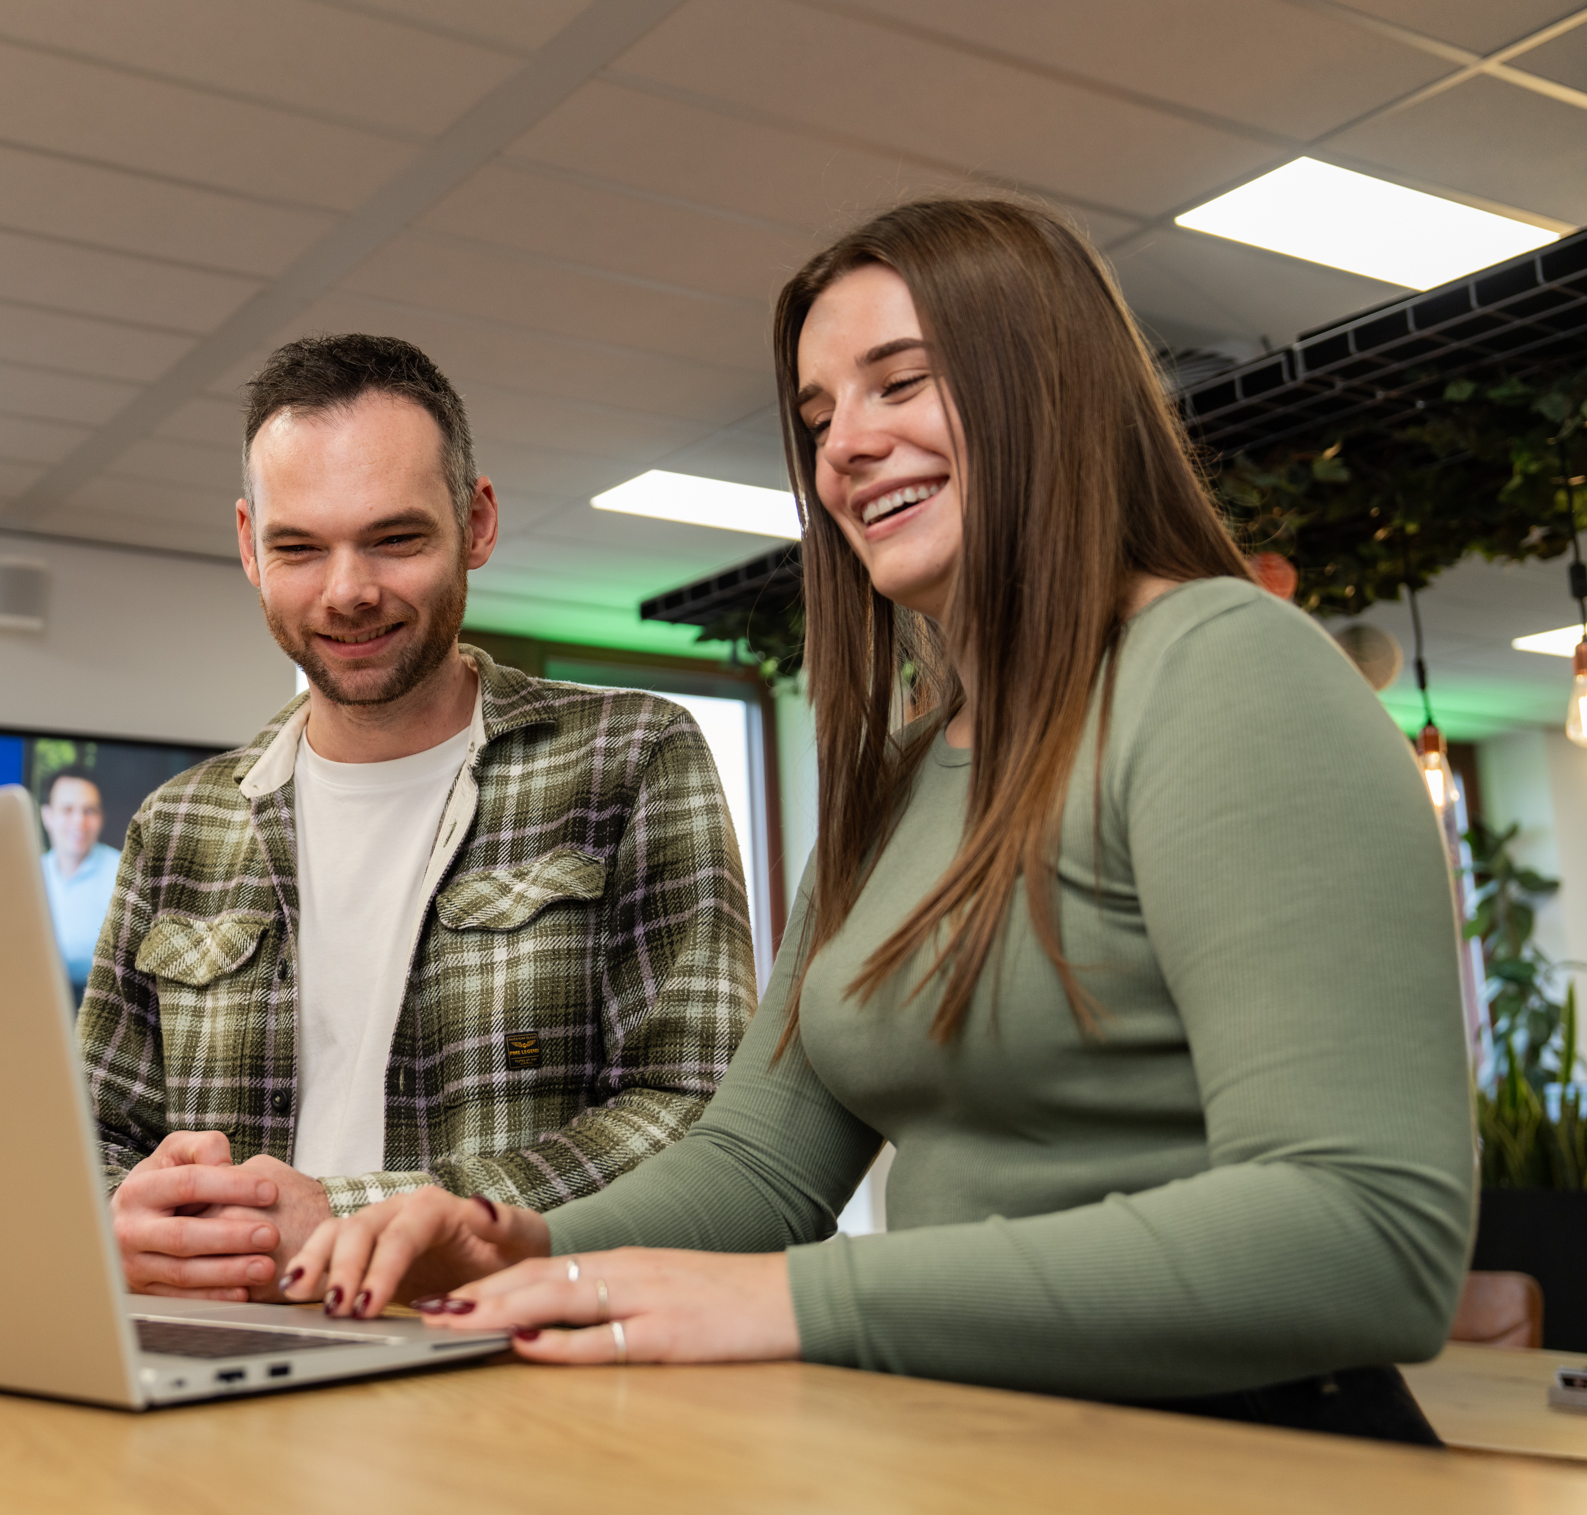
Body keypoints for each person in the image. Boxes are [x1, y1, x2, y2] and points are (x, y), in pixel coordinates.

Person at [276, 200, 1476, 1445]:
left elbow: (1366, 1235)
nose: (843, 444)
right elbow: (760, 1167)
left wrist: (791, 1302)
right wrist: (525, 1251)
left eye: (898, 383)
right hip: (983, 1443)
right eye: (815, 418)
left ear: (1045, 391)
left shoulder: (1224, 671)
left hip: (1243, 1452)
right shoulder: (901, 774)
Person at [77, 333, 755, 1303]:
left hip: (505, 1359)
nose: (347, 591)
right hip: (230, 1362)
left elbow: (696, 1116)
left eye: (393, 539)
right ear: (246, 546)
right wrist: (114, 1217)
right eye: (299, 548)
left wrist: (357, 1213)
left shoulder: (632, 759)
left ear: (475, 522)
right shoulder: (177, 826)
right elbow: (91, 1130)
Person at [36, 769, 118, 1000]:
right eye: (67, 809)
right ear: (47, 816)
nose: (78, 821)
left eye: (89, 811)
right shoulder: (32, 873)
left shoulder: (127, 875)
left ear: (101, 818)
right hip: (35, 997)